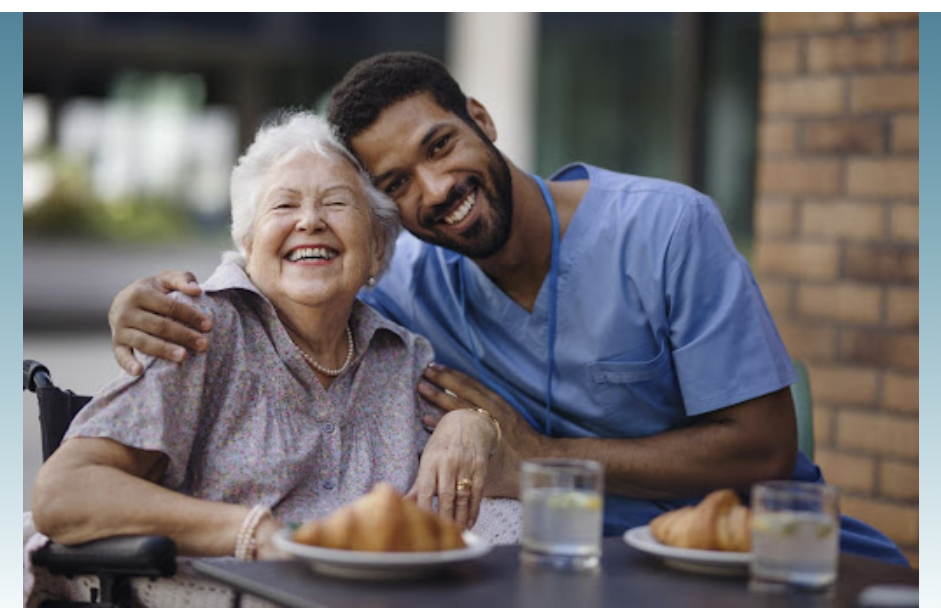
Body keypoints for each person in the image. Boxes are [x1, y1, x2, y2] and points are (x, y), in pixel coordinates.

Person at [107, 52, 907, 564]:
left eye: (439, 146)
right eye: (392, 185)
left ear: (481, 122)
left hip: (753, 559)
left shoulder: (667, 228)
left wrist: (536, 456)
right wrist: (147, 301)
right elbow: (294, 261)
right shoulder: (404, 278)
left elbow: (765, 448)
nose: (433, 191)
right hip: (558, 567)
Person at [31, 110, 503, 563]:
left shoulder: (403, 358)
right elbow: (63, 492)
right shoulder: (199, 330)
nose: (310, 221)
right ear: (249, 242)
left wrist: (474, 424)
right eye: (284, 204)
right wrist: (251, 532)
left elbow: (490, 494)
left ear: (377, 246)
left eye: (336, 202)